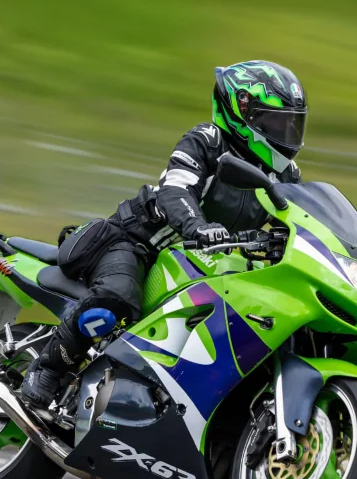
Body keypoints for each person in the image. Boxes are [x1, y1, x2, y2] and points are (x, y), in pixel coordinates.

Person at [20, 60, 309, 407]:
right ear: (241, 111)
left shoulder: (285, 173)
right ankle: (46, 369)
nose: (284, 131)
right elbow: (175, 190)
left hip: (207, 263)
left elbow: (300, 218)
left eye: (292, 123)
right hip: (139, 242)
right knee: (116, 300)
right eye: (274, 120)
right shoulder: (207, 140)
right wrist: (198, 226)